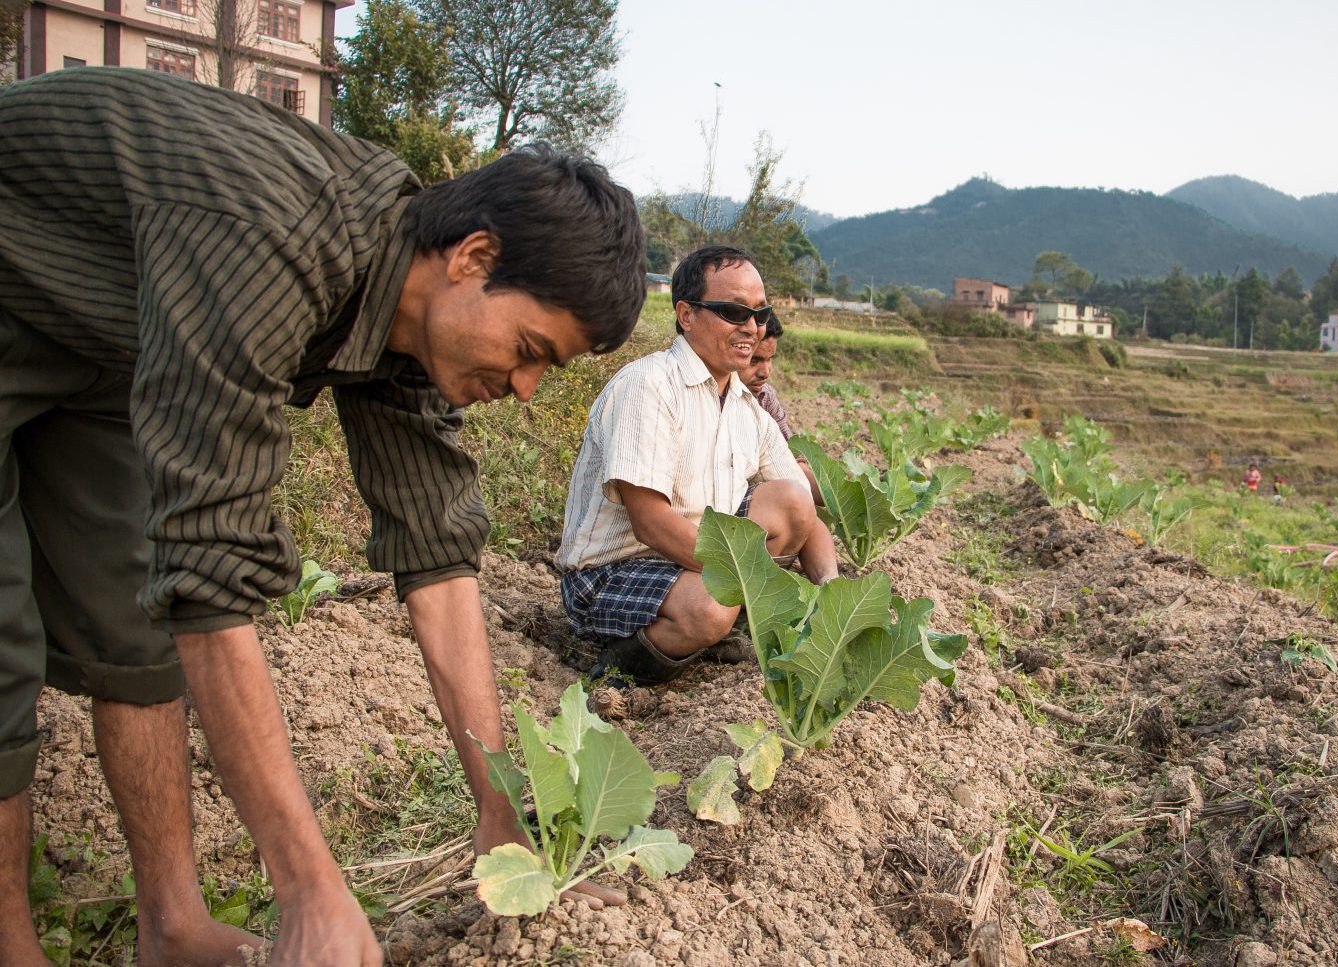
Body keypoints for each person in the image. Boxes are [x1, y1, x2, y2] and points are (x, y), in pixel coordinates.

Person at [0, 68, 644, 966]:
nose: (528, 387)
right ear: (473, 258)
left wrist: (501, 820)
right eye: (531, 350)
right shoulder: (273, 237)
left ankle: (173, 926)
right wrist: (308, 887)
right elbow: (209, 558)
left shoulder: (411, 312)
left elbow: (440, 554)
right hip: (17, 283)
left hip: (104, 341)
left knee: (131, 631)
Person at [556, 246, 839, 686]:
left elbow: (802, 508)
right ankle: (622, 663)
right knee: (711, 606)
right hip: (611, 572)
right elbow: (650, 523)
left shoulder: (747, 408)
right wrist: (747, 583)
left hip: (694, 564)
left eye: (759, 314)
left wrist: (832, 592)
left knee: (790, 500)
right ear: (686, 315)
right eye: (733, 312)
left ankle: (714, 624)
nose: (751, 327)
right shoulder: (649, 386)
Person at [738, 314, 823, 501]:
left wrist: (835, 490)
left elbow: (790, 457)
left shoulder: (765, 397)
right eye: (755, 360)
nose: (765, 372)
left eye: (770, 359)